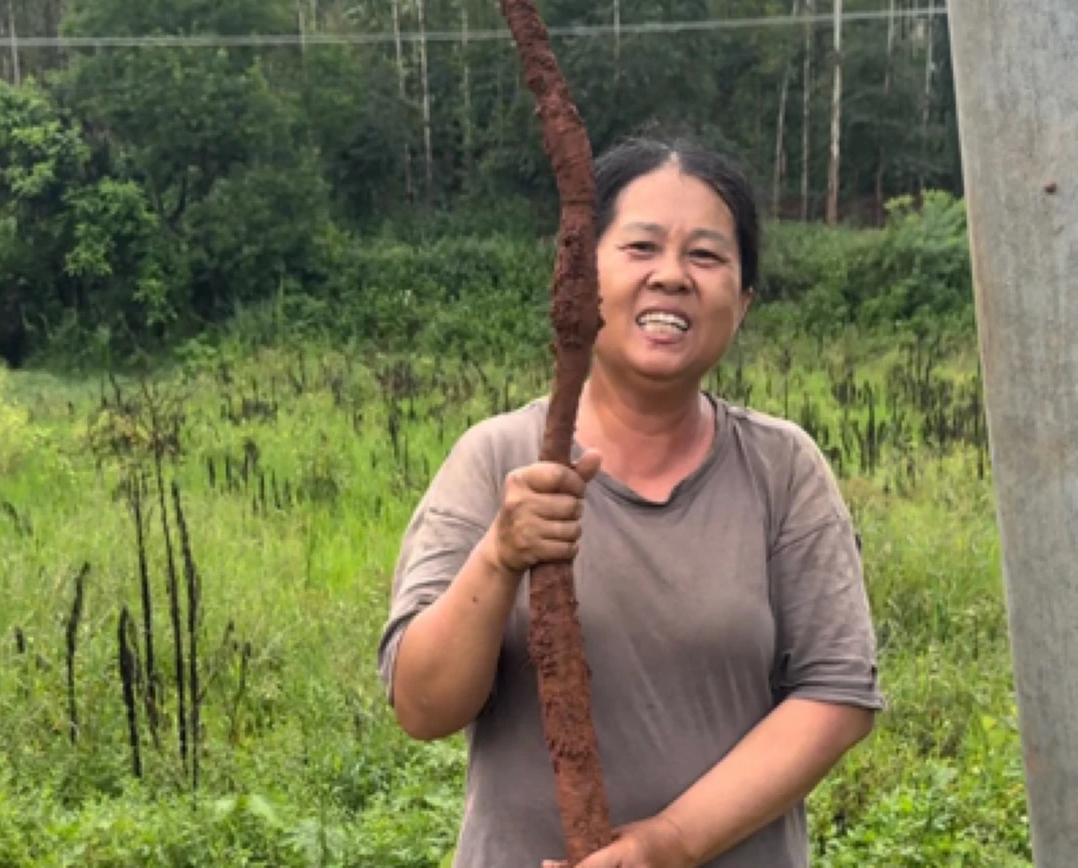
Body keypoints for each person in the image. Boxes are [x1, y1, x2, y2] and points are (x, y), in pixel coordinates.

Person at [377, 134, 883, 868]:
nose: (672, 277)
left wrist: (669, 842)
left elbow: (836, 695)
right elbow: (422, 708)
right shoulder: (496, 459)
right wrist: (500, 555)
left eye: (706, 257)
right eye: (641, 247)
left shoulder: (782, 468)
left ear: (741, 303)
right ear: (578, 279)